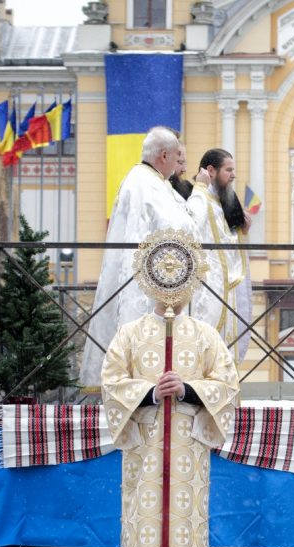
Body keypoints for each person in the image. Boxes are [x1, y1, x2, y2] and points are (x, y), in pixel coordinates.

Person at [101, 293, 240, 547]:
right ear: (148, 286)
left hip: (187, 450)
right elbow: (112, 382)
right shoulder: (129, 334)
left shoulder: (206, 335)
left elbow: (227, 385)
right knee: (145, 524)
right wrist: (149, 392)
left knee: (184, 527)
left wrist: (187, 390)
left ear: (190, 288)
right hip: (145, 447)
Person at [79, 126, 197, 388]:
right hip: (144, 282)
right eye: (177, 157)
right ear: (164, 155)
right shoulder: (144, 182)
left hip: (155, 276)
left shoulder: (153, 181)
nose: (180, 164)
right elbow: (173, 225)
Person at [187, 148, 252, 361]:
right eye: (228, 170)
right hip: (208, 284)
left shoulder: (217, 200)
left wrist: (242, 231)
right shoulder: (199, 196)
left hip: (224, 283)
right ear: (211, 171)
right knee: (207, 345)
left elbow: (223, 240)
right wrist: (199, 186)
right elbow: (192, 227)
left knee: (224, 347)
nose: (233, 175)